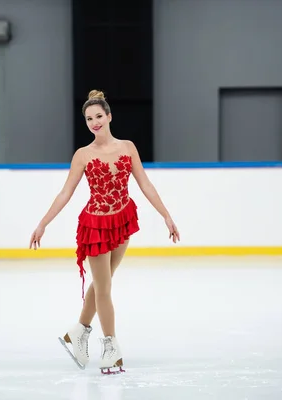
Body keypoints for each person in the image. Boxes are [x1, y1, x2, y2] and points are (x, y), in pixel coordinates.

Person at [29, 90, 180, 374]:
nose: (94, 122)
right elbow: (65, 193)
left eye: (99, 116)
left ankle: (78, 333)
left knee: (102, 283)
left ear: (109, 116)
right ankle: (110, 347)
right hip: (96, 226)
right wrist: (43, 223)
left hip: (122, 220)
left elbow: (145, 184)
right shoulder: (83, 155)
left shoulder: (128, 147)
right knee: (105, 288)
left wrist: (166, 216)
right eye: (89, 118)